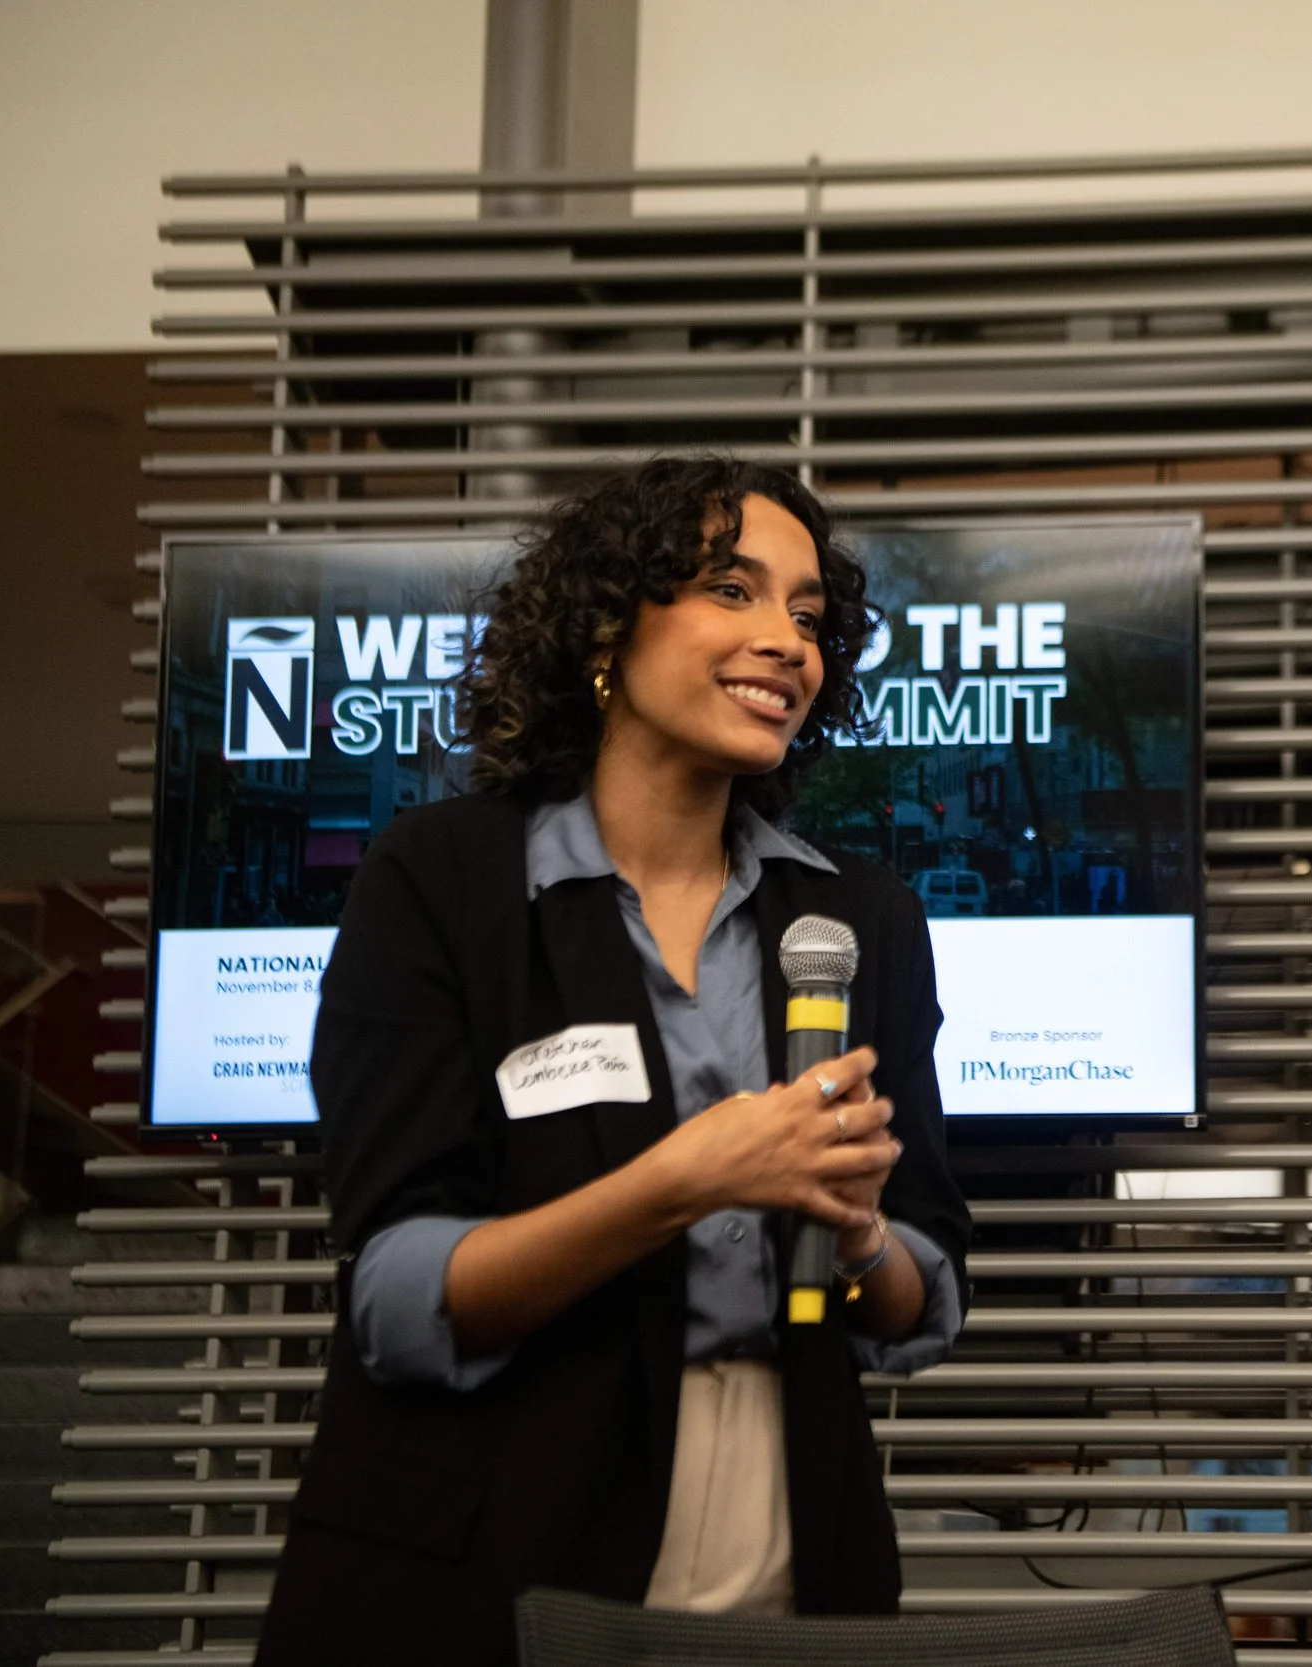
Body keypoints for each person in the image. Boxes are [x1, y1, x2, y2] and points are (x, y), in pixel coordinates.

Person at [257, 457, 970, 1667]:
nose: (785, 640)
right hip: (493, 1540)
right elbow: (396, 1295)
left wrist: (859, 1237)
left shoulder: (862, 917)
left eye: (807, 615)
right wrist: (684, 1178)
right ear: (604, 625)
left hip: (796, 1534)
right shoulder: (440, 883)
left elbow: (923, 1284)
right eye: (731, 591)